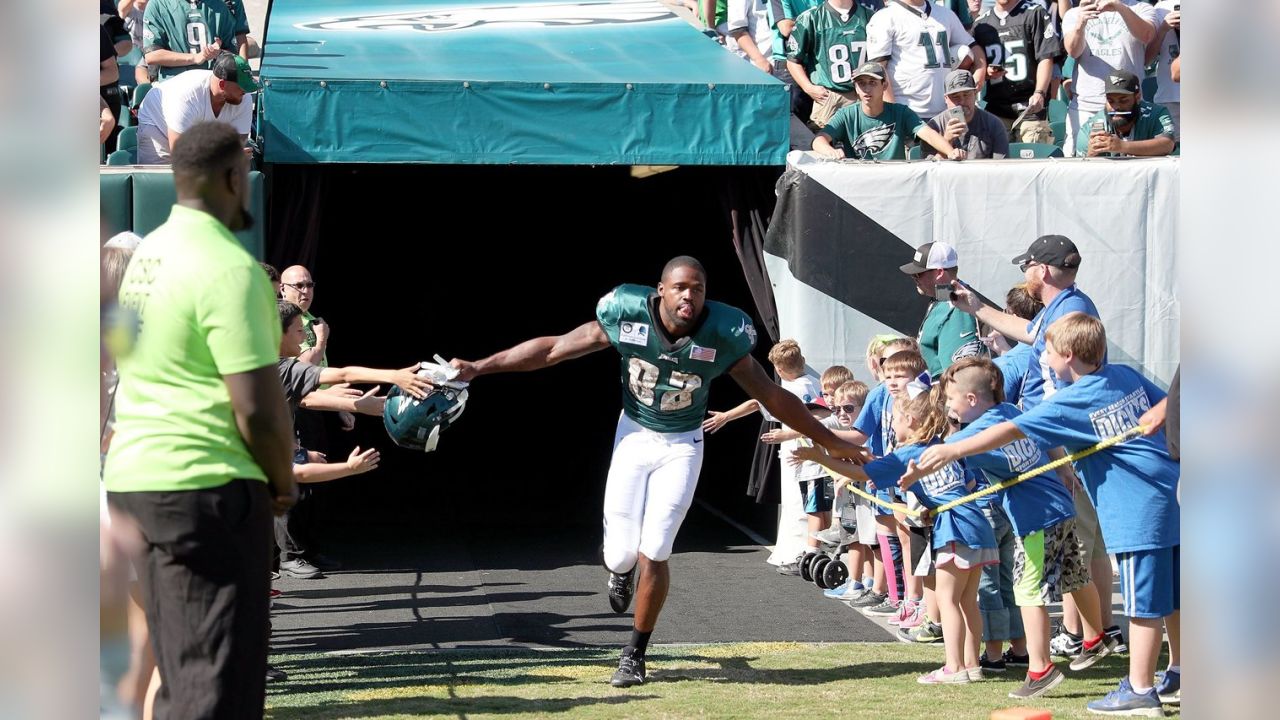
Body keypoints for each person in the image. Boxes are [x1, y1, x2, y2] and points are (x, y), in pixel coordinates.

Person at [448, 256, 866, 688]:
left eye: (699, 288)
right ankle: (620, 569)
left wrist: (829, 438)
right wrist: (480, 367)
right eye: (681, 286)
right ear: (661, 290)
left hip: (683, 443)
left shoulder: (724, 331)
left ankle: (634, 653)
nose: (690, 295)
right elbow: (553, 349)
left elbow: (772, 395)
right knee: (621, 554)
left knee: (658, 547)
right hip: (634, 435)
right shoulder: (626, 311)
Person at [103, 121, 296, 720]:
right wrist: (283, 483)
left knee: (180, 672)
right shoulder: (230, 268)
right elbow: (259, 407)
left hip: (135, 480)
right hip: (204, 486)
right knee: (219, 686)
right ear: (235, 178)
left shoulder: (145, 259)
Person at [913, 313, 1180, 715]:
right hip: (1171, 496)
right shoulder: (1124, 375)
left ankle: (1140, 689)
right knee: (1175, 596)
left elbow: (1011, 430)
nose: (1045, 360)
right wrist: (1158, 413)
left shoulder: (1070, 401)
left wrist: (952, 449)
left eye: (1049, 353)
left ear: (1068, 356)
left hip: (1138, 512)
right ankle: (1179, 672)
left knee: (1144, 605)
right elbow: (1171, 398)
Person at [909, 357, 1116, 699]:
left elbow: (946, 460)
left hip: (1035, 518)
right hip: (1061, 509)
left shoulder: (972, 434)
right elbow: (1044, 428)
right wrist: (1061, 467)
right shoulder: (1010, 411)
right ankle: (1095, 638)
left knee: (1028, 591)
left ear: (971, 400)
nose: (948, 407)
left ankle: (1040, 670)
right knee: (1075, 577)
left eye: (951, 399)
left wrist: (913, 472)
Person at [795, 380, 997, 684]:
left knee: (948, 599)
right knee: (968, 601)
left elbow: (863, 473)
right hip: (977, 524)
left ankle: (954, 668)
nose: (893, 427)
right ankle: (971, 665)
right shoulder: (942, 446)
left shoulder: (909, 452)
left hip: (955, 527)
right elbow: (966, 484)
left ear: (911, 421)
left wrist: (820, 458)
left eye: (896, 420)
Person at [812, 62, 966, 160]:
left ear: (884, 86)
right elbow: (819, 140)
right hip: (857, 180)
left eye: (872, 83)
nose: (866, 89)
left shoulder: (900, 112)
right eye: (861, 83)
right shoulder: (846, 114)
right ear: (855, 88)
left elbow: (928, 134)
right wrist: (830, 151)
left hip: (894, 180)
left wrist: (951, 152)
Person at [1060, 0, 1156, 155]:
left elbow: (1147, 35)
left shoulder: (1141, 8)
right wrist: (1080, 25)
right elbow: (1073, 51)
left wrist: (1118, 7)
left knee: (1132, 165)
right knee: (1079, 165)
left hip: (1127, 106)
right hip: (1087, 105)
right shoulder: (1075, 13)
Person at [866, 0, 986, 120]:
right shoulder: (885, 17)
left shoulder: (945, 14)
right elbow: (878, 69)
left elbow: (972, 46)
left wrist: (980, 71)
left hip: (946, 111)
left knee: (964, 51)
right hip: (907, 112)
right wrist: (893, 112)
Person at [136, 52, 258, 165]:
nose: (246, 91)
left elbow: (238, 142)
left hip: (198, 135)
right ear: (222, 85)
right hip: (157, 124)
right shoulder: (186, 95)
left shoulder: (243, 97)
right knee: (164, 179)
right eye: (242, 86)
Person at [972, 0, 1062, 144]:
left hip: (1030, 106)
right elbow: (976, 64)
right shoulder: (981, 24)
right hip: (997, 107)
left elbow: (1046, 57)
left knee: (1033, 160)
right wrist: (986, 73)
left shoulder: (1034, 12)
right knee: (998, 163)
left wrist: (1040, 92)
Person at [785, 0, 875, 129]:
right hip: (828, 95)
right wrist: (808, 87)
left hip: (863, 93)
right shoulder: (810, 17)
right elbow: (793, 60)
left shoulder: (870, 16)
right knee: (824, 143)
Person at [898, 240, 982, 378]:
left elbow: (957, 374)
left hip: (944, 395)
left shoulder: (958, 305)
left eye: (918, 274)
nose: (914, 278)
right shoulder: (942, 297)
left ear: (939, 273)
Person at [1076, 69, 1176, 158]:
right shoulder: (1090, 129)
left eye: (1123, 100)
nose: (1116, 107)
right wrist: (1090, 155)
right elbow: (1079, 172)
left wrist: (1122, 146)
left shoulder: (1156, 114)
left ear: (1137, 98)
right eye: (1110, 101)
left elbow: (1168, 144)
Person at [143, 0, 240, 80]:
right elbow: (152, 55)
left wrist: (218, 53)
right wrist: (195, 58)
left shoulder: (219, 6)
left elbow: (233, 54)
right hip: (175, 84)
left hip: (210, 84)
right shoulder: (158, 4)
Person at [923, 69, 1010, 158]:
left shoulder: (993, 124)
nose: (962, 101)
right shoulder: (934, 127)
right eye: (955, 96)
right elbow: (930, 169)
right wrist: (946, 142)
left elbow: (1001, 167)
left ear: (975, 94)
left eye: (966, 94)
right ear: (946, 98)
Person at [1145, 1, 1180, 138]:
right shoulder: (1161, 8)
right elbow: (1147, 59)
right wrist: (1163, 28)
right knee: (1171, 151)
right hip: (1169, 96)